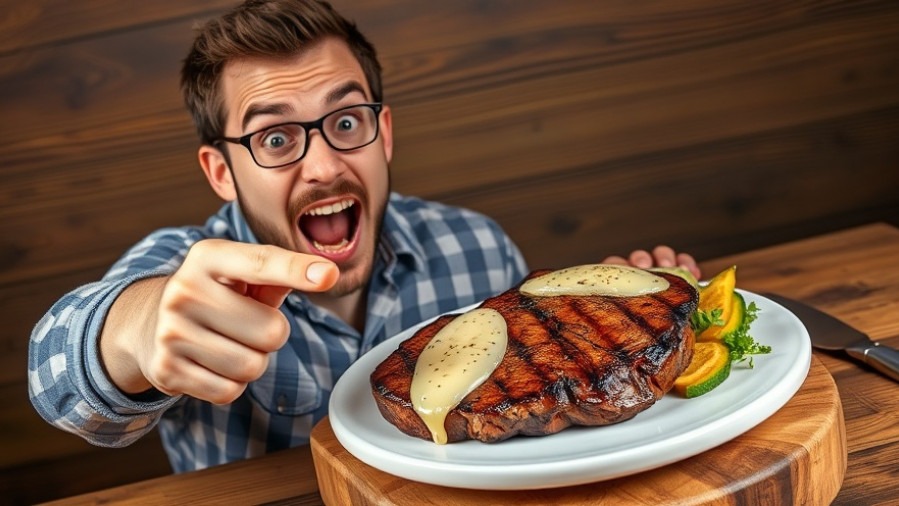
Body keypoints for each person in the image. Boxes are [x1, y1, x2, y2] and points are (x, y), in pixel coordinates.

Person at [28, 0, 700, 473]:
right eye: (275, 137)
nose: (322, 166)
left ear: (384, 134)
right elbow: (62, 379)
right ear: (221, 172)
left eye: (345, 122)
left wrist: (613, 321)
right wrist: (139, 328)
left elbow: (544, 417)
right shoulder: (184, 270)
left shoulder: (478, 247)